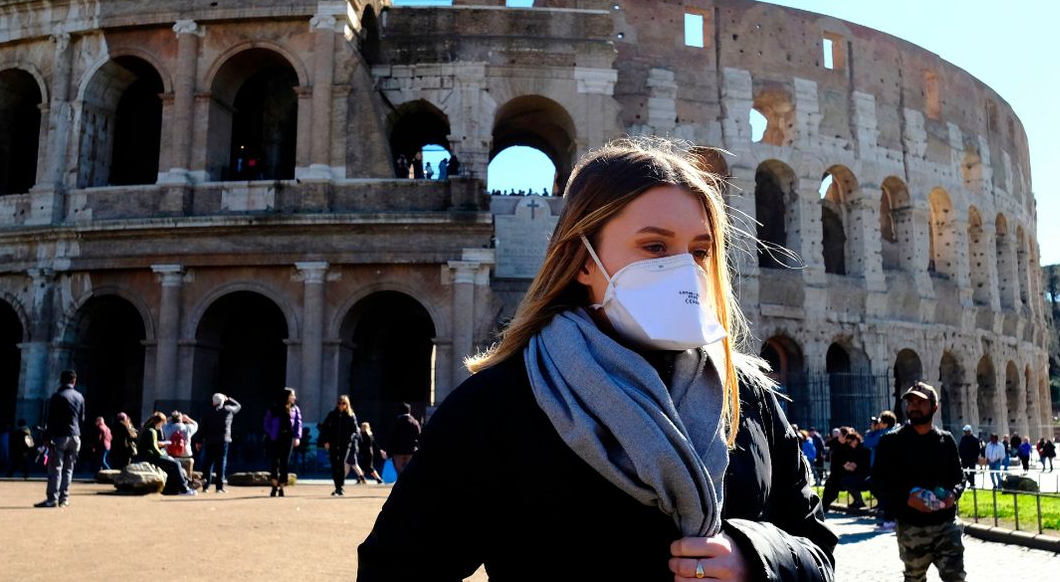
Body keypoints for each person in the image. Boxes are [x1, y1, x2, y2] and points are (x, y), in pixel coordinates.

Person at [358, 138, 837, 580]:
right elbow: (396, 568)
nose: (683, 270)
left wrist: (754, 556)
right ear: (585, 261)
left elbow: (817, 549)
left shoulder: (747, 394)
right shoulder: (500, 404)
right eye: (654, 247)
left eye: (699, 250)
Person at [872, 383, 967, 582]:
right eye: (911, 402)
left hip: (946, 524)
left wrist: (953, 494)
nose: (914, 406)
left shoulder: (946, 440)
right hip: (911, 525)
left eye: (921, 402)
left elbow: (959, 477)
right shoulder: (891, 441)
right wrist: (907, 498)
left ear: (934, 407)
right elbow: (879, 482)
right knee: (914, 578)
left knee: (956, 577)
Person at [35, 369, 85, 508]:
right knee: (69, 469)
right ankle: (65, 498)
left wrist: (46, 437)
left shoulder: (58, 396)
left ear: (61, 380)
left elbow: (51, 420)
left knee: (55, 468)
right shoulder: (80, 397)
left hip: (60, 436)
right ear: (74, 381)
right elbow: (82, 419)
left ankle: (52, 498)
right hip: (75, 436)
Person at [138, 412, 196, 496]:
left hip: (144, 457)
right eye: (163, 423)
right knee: (176, 464)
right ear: (160, 422)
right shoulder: (152, 431)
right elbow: (154, 449)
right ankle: (184, 488)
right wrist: (164, 455)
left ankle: (180, 487)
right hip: (150, 457)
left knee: (173, 464)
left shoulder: (146, 429)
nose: (163, 425)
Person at [262, 388, 302, 497]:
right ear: (287, 396)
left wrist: (297, 437)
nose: (294, 397)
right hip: (275, 438)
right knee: (275, 462)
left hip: (288, 438)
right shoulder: (274, 408)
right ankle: (274, 485)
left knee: (285, 462)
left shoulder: (295, 409)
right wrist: (271, 433)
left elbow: (298, 423)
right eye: (292, 395)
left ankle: (282, 486)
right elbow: (267, 422)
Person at [320, 394, 360, 496]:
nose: (341, 405)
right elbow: (324, 428)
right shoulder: (332, 414)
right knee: (334, 465)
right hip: (333, 443)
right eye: (339, 403)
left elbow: (355, 430)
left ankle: (340, 486)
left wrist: (349, 439)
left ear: (347, 404)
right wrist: (325, 441)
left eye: (343, 403)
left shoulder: (351, 416)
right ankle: (337, 486)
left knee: (341, 463)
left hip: (345, 444)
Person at [821, 428, 868, 512]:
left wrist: (846, 465)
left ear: (844, 436)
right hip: (838, 472)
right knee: (830, 485)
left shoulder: (850, 446)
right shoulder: (837, 443)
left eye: (839, 435)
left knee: (836, 484)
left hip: (846, 473)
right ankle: (824, 505)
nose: (837, 437)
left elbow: (853, 461)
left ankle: (859, 501)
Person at [202, 393, 240, 492]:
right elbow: (238, 406)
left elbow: (203, 427)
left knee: (208, 463)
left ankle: (205, 485)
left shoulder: (208, 412)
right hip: (223, 440)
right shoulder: (228, 410)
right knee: (221, 462)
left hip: (210, 440)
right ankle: (219, 487)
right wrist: (229, 398)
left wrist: (199, 440)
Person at [384, 402, 422, 475]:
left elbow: (392, 437)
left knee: (399, 470)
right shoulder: (415, 422)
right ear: (409, 411)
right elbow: (419, 436)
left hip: (398, 451)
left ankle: (403, 483)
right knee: (410, 469)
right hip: (411, 450)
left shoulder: (396, 422)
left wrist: (389, 452)